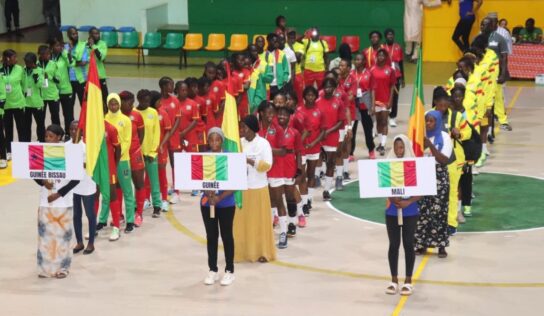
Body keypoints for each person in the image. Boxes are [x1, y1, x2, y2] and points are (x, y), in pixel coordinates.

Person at [34, 124, 80, 278]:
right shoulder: (41, 152)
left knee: (63, 237)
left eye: (51, 136)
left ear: (59, 137)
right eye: (46, 136)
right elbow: (33, 172)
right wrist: (43, 182)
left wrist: (58, 194)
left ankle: (63, 267)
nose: (48, 139)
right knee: (45, 236)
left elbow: (75, 179)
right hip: (45, 202)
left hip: (64, 202)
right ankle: (44, 268)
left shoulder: (68, 153)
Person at [234, 114, 276, 263]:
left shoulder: (263, 144)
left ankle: (263, 252)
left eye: (244, 127)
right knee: (242, 222)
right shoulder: (239, 143)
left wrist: (249, 161)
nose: (242, 130)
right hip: (242, 188)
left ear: (252, 128)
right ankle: (242, 252)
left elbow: (267, 165)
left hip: (258, 188)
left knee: (260, 223)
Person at [384, 135, 421, 296]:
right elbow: (382, 186)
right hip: (392, 210)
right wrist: (392, 198)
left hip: (410, 211)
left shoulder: (414, 165)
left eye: (401, 147)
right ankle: (393, 280)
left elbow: (422, 191)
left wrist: (408, 202)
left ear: (406, 147)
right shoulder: (387, 163)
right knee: (394, 244)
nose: (399, 151)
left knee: (407, 243)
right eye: (396, 147)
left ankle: (408, 280)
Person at [433, 87, 471, 235]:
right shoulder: (427, 116)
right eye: (440, 105)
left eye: (445, 105)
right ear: (435, 102)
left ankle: (451, 224)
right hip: (434, 160)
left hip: (453, 160)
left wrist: (459, 133)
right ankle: (435, 221)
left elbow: (468, 133)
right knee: (434, 194)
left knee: (452, 192)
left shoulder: (456, 116)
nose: (443, 108)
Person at [201, 127, 236, 286]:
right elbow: (199, 179)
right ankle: (213, 270)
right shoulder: (204, 157)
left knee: (227, 236)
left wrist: (220, 197)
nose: (214, 143)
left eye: (217, 140)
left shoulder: (230, 157)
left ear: (222, 140)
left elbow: (236, 182)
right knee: (211, 236)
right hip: (208, 204)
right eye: (211, 140)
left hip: (226, 204)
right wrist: (209, 195)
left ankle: (229, 270)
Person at [415, 111, 452, 258]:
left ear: (437, 122)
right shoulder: (419, 136)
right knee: (422, 211)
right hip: (423, 174)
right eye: (427, 121)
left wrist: (429, 144)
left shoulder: (444, 137)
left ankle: (441, 246)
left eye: (432, 121)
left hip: (439, 176)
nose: (429, 124)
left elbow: (444, 160)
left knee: (439, 212)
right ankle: (421, 244)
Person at [105, 93, 136, 234]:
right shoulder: (104, 119)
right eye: (111, 104)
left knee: (127, 190)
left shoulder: (126, 120)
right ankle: (115, 218)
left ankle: (130, 221)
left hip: (122, 160)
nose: (113, 106)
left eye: (116, 104)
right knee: (112, 192)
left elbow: (127, 141)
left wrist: (117, 155)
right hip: (108, 162)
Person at [257, 102, 287, 247]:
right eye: (268, 113)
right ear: (261, 113)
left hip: (276, 170)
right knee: (266, 201)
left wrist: (265, 150)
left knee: (278, 200)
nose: (271, 116)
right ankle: (268, 231)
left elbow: (283, 151)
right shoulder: (255, 129)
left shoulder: (278, 129)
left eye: (272, 113)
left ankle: (283, 232)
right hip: (260, 172)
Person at [276, 105, 305, 235]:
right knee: (277, 197)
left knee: (289, 196)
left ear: (290, 118)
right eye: (280, 114)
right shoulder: (272, 132)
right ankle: (279, 220)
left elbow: (298, 152)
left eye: (285, 115)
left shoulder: (295, 133)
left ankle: (292, 223)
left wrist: (299, 170)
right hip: (275, 168)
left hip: (289, 168)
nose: (282, 116)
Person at [69, 121, 96, 255]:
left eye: (77, 129)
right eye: (72, 130)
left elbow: (92, 164)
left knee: (90, 214)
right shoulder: (66, 146)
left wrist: (84, 164)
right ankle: (79, 242)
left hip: (87, 184)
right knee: (76, 215)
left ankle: (91, 242)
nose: (74, 132)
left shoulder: (87, 146)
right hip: (72, 186)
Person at [119, 91, 146, 227]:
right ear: (121, 103)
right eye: (130, 102)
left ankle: (139, 213)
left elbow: (141, 135)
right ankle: (119, 214)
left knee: (139, 183)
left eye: (133, 102)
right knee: (119, 185)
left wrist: (134, 148)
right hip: (120, 156)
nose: (132, 105)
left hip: (134, 154)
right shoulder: (114, 117)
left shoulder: (137, 116)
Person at [135, 89, 162, 218]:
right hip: (137, 155)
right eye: (143, 101)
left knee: (154, 181)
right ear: (138, 99)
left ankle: (157, 206)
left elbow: (157, 133)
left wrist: (152, 151)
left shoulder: (153, 113)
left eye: (148, 101)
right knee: (138, 182)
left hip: (151, 154)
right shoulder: (133, 113)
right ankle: (137, 205)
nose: (146, 103)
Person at [317, 78, 345, 200]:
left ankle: (326, 190)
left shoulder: (339, 102)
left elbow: (340, 121)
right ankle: (311, 189)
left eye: (330, 87)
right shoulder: (317, 102)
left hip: (332, 136)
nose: (328, 89)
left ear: (334, 89)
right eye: (326, 87)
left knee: (331, 162)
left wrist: (328, 131)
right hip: (319, 137)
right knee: (317, 160)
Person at [487, 13, 513, 132]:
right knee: (483, 97)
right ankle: (483, 121)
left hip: (496, 72)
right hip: (483, 74)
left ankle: (503, 121)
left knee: (498, 97)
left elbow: (504, 57)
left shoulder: (500, 37)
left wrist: (503, 74)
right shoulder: (480, 37)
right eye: (488, 22)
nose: (490, 24)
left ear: (496, 22)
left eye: (492, 21)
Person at [158, 77, 182, 203]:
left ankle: (176, 191)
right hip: (161, 138)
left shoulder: (175, 101)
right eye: (170, 85)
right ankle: (162, 190)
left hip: (173, 137)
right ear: (163, 87)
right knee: (161, 165)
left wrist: (170, 132)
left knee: (174, 163)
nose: (173, 87)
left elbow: (178, 119)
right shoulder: (157, 101)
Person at [150, 90, 173, 210]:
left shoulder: (163, 113)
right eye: (159, 100)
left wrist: (162, 144)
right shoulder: (147, 113)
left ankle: (164, 199)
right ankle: (146, 199)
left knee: (162, 174)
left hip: (161, 149)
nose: (161, 102)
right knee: (148, 176)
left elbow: (168, 131)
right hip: (149, 150)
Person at [370, 49, 396, 156]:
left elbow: (392, 87)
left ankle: (383, 144)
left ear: (386, 57)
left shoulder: (390, 70)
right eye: (379, 55)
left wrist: (390, 101)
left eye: (383, 55)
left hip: (386, 101)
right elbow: (371, 88)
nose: (381, 57)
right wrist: (371, 104)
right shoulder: (372, 70)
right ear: (376, 57)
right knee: (379, 122)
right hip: (375, 100)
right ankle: (380, 141)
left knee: (384, 121)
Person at [2, 49, 27, 158]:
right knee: (8, 129)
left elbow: (24, 84)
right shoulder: (0, 70)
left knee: (21, 128)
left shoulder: (19, 69)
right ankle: (9, 151)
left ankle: (22, 150)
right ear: (7, 58)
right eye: (14, 57)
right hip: (5, 105)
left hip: (18, 103)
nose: (16, 59)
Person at [351, 53, 375, 159]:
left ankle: (371, 150)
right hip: (353, 104)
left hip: (365, 103)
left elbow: (373, 90)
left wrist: (373, 105)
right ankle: (350, 153)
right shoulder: (351, 74)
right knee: (352, 130)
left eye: (359, 59)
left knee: (368, 129)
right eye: (355, 59)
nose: (357, 61)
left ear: (364, 61)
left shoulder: (369, 74)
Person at [50, 37, 74, 139]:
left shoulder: (64, 56)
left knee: (68, 114)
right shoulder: (48, 57)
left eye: (60, 45)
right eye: (57, 46)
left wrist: (65, 52)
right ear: (51, 47)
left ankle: (69, 134)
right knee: (55, 114)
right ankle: (57, 133)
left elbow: (71, 63)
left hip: (65, 89)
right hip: (53, 91)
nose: (59, 47)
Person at [383, 29, 405, 128]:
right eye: (388, 35)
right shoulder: (382, 47)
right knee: (384, 97)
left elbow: (400, 63)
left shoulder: (398, 48)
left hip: (396, 76)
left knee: (395, 97)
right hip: (385, 77)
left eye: (392, 34)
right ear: (385, 36)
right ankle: (384, 116)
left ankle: (392, 118)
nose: (390, 36)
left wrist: (403, 78)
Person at [23, 52, 46, 143]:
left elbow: (42, 85)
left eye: (28, 62)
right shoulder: (23, 70)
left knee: (40, 124)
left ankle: (41, 141)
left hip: (37, 103)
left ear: (34, 62)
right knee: (26, 125)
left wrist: (36, 76)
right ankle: (26, 142)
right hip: (26, 103)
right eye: (25, 62)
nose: (27, 64)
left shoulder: (41, 71)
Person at [38, 45, 61, 129]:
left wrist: (49, 77)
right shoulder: (36, 65)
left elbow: (58, 79)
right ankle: (41, 136)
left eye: (49, 54)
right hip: (40, 96)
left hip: (52, 95)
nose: (48, 55)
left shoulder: (53, 64)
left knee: (55, 116)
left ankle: (57, 134)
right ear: (40, 54)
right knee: (40, 118)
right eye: (46, 54)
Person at [65, 27, 88, 106]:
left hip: (81, 80)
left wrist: (72, 62)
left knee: (84, 104)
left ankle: (84, 119)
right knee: (69, 105)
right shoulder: (65, 48)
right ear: (68, 35)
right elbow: (65, 63)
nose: (76, 36)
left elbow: (84, 62)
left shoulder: (83, 45)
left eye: (76, 33)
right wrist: (70, 51)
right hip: (68, 81)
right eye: (73, 34)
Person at [263, 33, 289, 99]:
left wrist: (285, 80)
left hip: (279, 85)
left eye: (277, 41)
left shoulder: (282, 54)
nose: (276, 43)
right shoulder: (263, 54)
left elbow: (286, 69)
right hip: (267, 85)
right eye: (274, 41)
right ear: (268, 41)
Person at [87, 27, 109, 108]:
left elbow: (100, 57)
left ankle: (106, 115)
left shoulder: (103, 44)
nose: (97, 35)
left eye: (98, 33)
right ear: (90, 35)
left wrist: (93, 46)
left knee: (104, 97)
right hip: (89, 76)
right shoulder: (85, 45)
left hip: (100, 76)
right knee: (92, 98)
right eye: (95, 34)